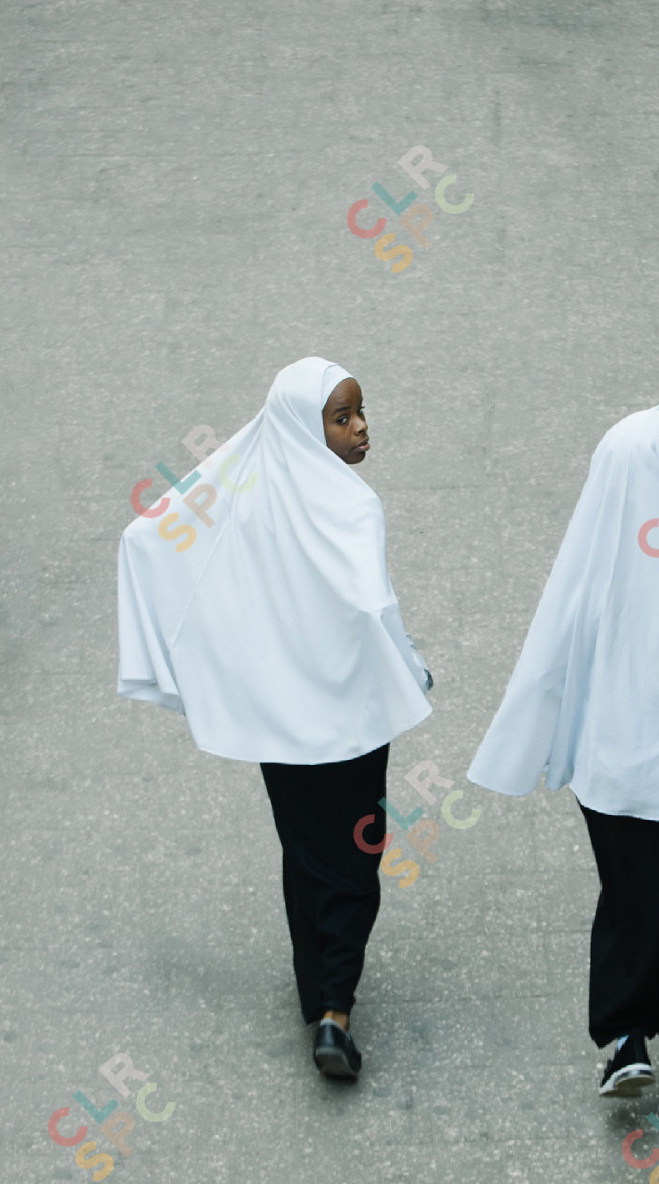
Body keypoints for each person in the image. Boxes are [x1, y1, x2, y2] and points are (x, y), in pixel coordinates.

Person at [116, 357, 432, 1080]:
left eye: (359, 413)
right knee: (356, 858)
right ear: (305, 425)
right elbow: (373, 607)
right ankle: (336, 1011)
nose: (361, 430)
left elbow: (154, 539)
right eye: (342, 417)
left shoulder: (247, 498)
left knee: (306, 848)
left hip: (277, 726)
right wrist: (409, 668)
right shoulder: (354, 507)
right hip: (351, 721)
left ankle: (313, 989)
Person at [466, 406, 659, 1122]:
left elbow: (549, 662)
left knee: (631, 902)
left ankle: (625, 1039)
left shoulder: (590, 560)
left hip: (610, 782)